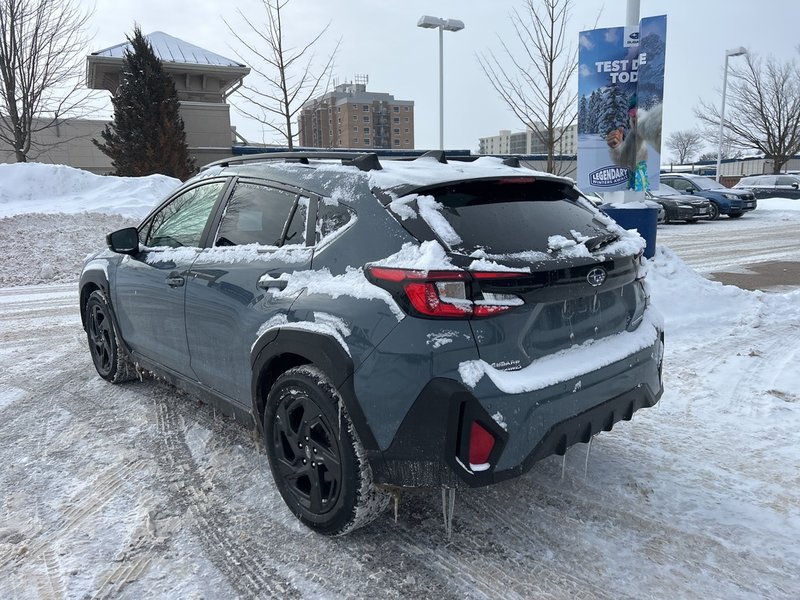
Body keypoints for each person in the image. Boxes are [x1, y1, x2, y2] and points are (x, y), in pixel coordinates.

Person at [606, 94, 662, 191]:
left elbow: (650, 127)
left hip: (640, 171)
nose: (633, 116)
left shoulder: (646, 125)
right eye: (631, 113)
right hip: (632, 173)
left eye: (635, 112)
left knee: (641, 192)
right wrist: (616, 148)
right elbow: (623, 160)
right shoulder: (632, 135)